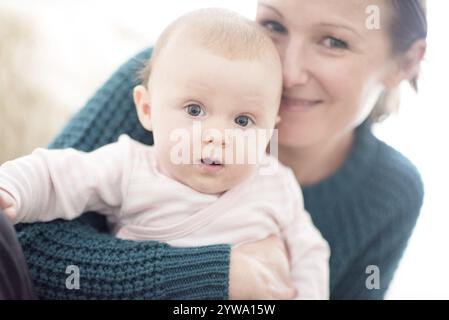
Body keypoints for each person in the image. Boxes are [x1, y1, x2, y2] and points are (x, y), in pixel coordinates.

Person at [11, 0, 426, 300]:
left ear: (404, 63)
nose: (289, 72)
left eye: (334, 41)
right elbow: (20, 246)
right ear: (147, 107)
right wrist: (213, 276)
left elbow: (311, 260)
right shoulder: (174, 76)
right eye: (275, 26)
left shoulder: (388, 193)